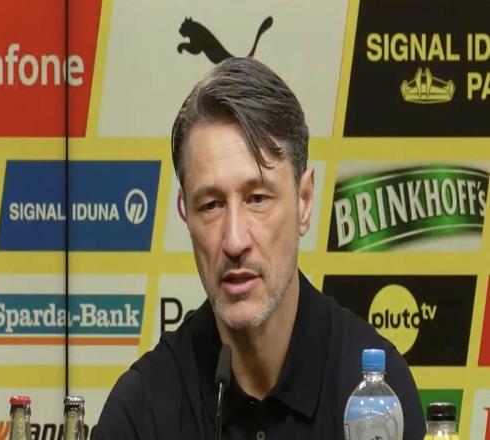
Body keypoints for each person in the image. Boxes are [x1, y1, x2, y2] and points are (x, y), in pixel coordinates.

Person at [95, 57, 426, 439]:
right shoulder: (142, 410)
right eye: (211, 205)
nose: (235, 241)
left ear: (304, 201)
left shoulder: (375, 398)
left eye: (257, 199)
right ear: (185, 213)